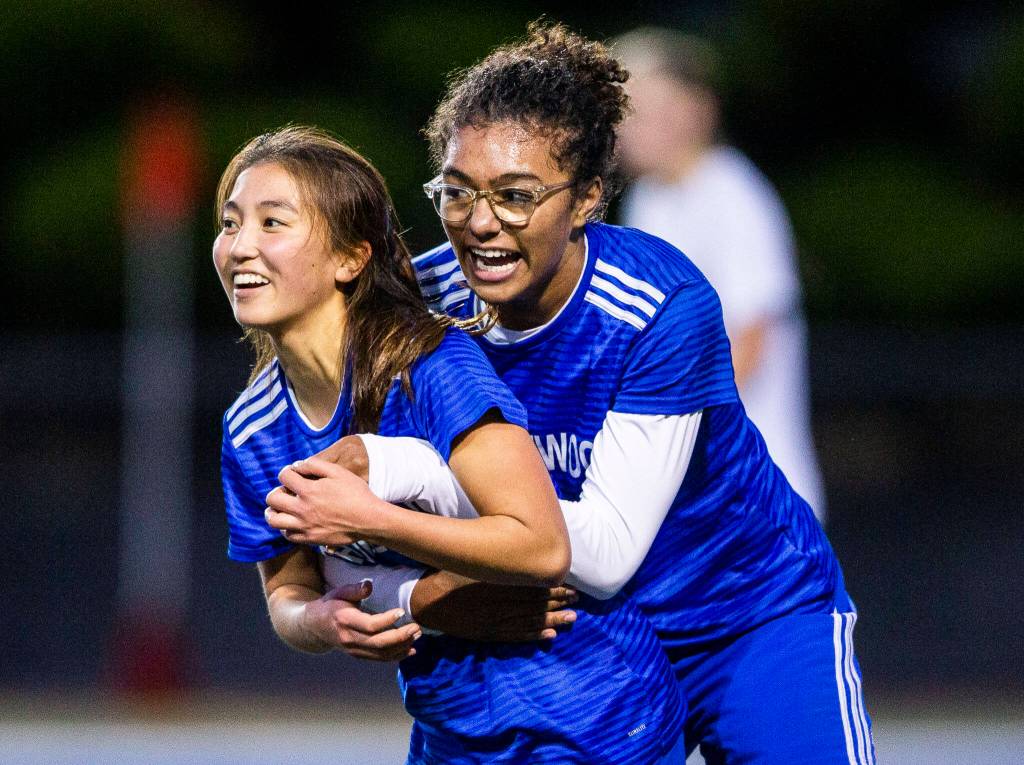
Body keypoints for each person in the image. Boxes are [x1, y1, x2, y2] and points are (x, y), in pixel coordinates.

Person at [269, 24, 875, 765]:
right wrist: (386, 601)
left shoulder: (660, 303)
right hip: (574, 624)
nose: (481, 222)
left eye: (517, 196)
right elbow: (314, 528)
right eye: (457, 192)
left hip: (740, 611)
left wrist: (409, 482)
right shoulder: (418, 310)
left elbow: (608, 548)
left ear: (587, 197)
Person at [214, 125, 685, 764]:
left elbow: (541, 544)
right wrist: (321, 620)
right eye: (230, 223)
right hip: (452, 724)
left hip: (589, 712)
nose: (241, 246)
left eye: (273, 223)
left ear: (350, 259)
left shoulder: (430, 364)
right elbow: (287, 592)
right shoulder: (253, 429)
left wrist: (375, 524)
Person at [615, 27, 827, 521]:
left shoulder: (733, 194)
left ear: (697, 110)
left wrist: (659, 423)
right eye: (624, 111)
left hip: (755, 495)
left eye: (646, 109)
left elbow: (751, 339)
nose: (628, 128)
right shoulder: (649, 201)